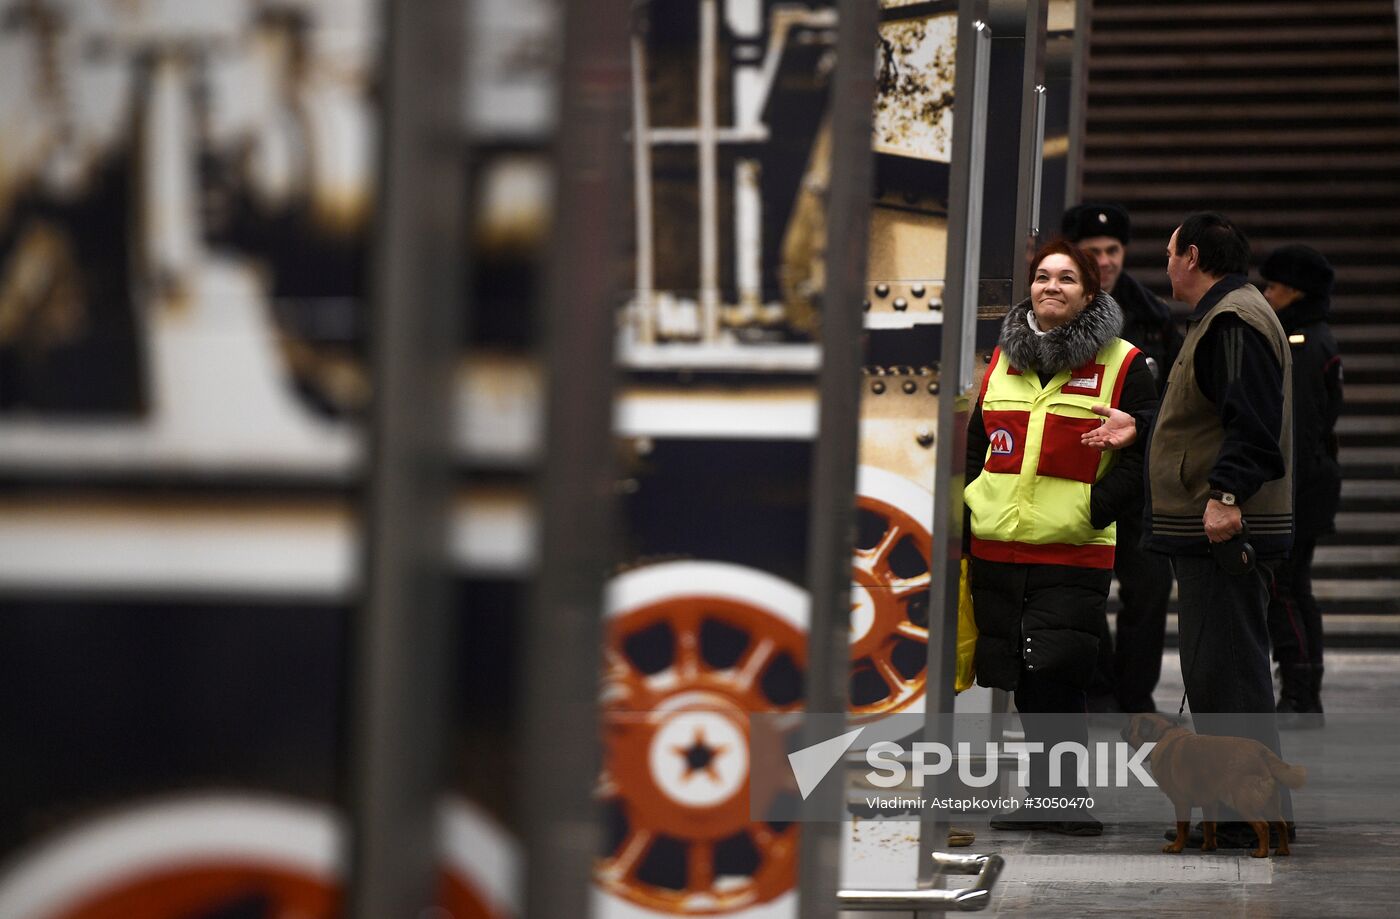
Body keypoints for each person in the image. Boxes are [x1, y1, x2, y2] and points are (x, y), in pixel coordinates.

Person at [964, 239, 1157, 836]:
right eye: (1043, 276)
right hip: (998, 545)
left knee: (1057, 670)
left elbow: (1144, 456)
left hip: (1073, 549)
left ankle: (1068, 801)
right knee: (1021, 674)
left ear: (1090, 292)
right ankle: (1046, 798)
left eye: (1067, 278)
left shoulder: (1125, 364)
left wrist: (1092, 508)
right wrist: (973, 503)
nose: (1052, 286)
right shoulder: (1000, 360)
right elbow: (977, 445)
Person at [1139, 212, 1294, 848]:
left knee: (1229, 673)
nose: (1165, 264)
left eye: (1169, 252)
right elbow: (1201, 419)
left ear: (1193, 255)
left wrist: (1227, 494)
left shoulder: (1232, 321)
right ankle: (1247, 816)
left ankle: (1244, 818)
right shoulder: (1224, 316)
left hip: (1227, 529)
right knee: (1219, 671)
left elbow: (1249, 421)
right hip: (1213, 527)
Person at [1062, 203, 1181, 713]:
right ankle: (1101, 686)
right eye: (1093, 251)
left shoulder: (1153, 315)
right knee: (1082, 588)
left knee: (1148, 592)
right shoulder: (1054, 310)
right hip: (1078, 472)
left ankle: (1135, 695)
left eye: (1113, 251)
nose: (1106, 260)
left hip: (1142, 477)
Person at [1259, 244, 1342, 723]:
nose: (1266, 294)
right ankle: (1302, 686)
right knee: (1295, 587)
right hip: (1309, 482)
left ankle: (1299, 691)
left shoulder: (1303, 343)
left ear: (1293, 291)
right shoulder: (1310, 336)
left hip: (1299, 486)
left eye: (1272, 287)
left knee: (1285, 588)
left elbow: (1300, 425)